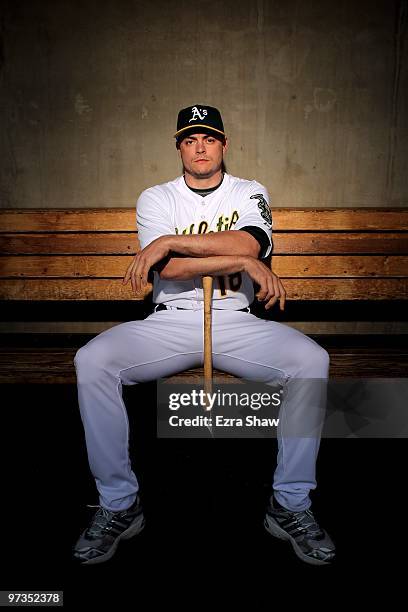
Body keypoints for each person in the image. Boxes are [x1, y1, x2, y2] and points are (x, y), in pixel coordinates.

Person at [73, 104, 336, 566]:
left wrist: (174, 241)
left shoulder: (249, 191)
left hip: (236, 318)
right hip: (170, 319)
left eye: (209, 138)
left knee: (311, 361)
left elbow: (250, 243)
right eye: (190, 139)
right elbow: (168, 269)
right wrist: (216, 257)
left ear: (224, 145)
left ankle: (290, 505)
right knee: (92, 361)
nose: (200, 147)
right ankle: (118, 504)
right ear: (178, 146)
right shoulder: (156, 197)